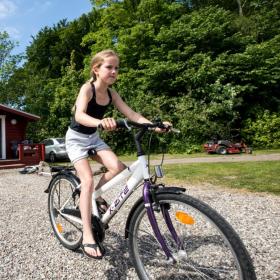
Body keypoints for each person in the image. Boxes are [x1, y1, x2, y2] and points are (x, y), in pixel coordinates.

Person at [65, 49, 170, 259]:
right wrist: (100, 122)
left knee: (118, 168)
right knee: (86, 180)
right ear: (96, 69)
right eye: (109, 67)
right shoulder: (88, 88)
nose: (114, 71)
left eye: (116, 68)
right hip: (76, 139)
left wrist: (154, 125)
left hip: (93, 138)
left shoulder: (112, 94)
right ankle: (87, 235)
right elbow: (79, 115)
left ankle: (93, 196)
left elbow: (131, 114)